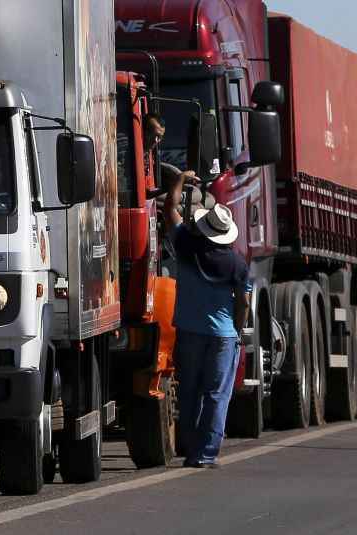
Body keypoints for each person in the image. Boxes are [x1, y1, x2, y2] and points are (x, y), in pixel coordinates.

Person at [164, 170, 251, 469]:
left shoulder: (186, 246)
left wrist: (179, 182)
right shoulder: (237, 264)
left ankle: (189, 448)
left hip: (188, 331)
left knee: (188, 389)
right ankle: (206, 453)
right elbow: (243, 303)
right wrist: (238, 332)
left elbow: (170, 210)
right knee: (217, 394)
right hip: (222, 336)